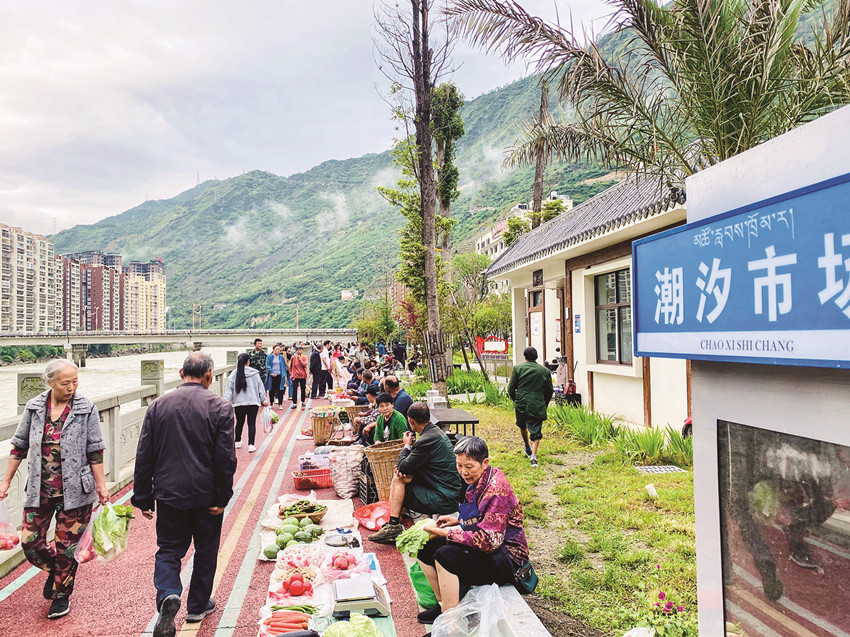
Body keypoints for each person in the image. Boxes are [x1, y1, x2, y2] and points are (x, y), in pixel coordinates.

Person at [132, 352, 237, 637]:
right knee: (206, 550)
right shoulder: (220, 407)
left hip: (169, 494)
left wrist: (142, 497)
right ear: (209, 375)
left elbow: (144, 455)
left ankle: (168, 593)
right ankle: (198, 605)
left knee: (169, 550)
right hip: (206, 496)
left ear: (181, 373)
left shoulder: (158, 406)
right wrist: (222, 497)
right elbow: (225, 458)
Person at [0, 359, 109, 620]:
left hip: (77, 492)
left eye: (75, 381)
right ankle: (55, 571)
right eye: (65, 383)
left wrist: (102, 486)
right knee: (30, 542)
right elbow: (19, 446)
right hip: (40, 490)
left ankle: (61, 596)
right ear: (50, 382)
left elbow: (95, 451)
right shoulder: (34, 407)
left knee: (67, 547)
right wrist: (5, 481)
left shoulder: (86, 408)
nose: (72, 387)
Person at [414, 436, 530, 626]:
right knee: (427, 546)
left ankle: (450, 625)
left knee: (446, 556)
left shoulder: (496, 490)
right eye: (459, 465)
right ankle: (444, 607)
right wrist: (457, 520)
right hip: (491, 546)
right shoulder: (479, 480)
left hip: (508, 558)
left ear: (485, 463)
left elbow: (488, 542)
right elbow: (480, 517)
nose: (463, 472)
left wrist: (448, 533)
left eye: (469, 466)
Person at [369, 402, 463, 544]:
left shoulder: (426, 439)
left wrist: (406, 445)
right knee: (402, 477)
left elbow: (402, 466)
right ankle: (395, 523)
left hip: (443, 498)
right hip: (444, 490)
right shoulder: (434, 433)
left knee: (399, 478)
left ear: (411, 421)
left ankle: (393, 525)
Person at [507, 346, 553, 468]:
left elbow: (511, 389)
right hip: (537, 403)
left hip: (522, 402)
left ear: (525, 357)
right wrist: (544, 403)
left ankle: (527, 446)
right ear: (536, 357)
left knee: (522, 425)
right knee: (536, 430)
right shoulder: (544, 371)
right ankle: (533, 456)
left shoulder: (518, 368)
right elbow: (549, 390)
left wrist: (516, 400)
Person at [225, 353, 268, 452]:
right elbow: (260, 387)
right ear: (248, 361)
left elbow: (229, 389)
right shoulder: (255, 373)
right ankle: (251, 445)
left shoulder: (234, 374)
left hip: (239, 402)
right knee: (251, 423)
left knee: (239, 422)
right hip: (253, 402)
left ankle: (237, 441)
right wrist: (263, 399)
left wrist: (227, 401)